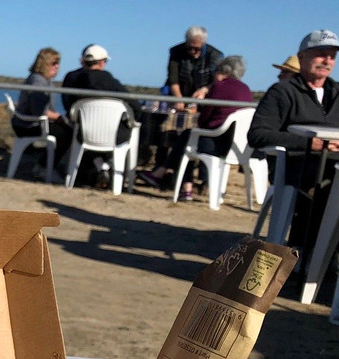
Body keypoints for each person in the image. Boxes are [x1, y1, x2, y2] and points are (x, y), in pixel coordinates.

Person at [249, 29, 339, 248]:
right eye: (320, 53)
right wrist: (311, 144)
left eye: (332, 55)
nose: (327, 60)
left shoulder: (337, 93)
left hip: (333, 164)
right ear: (301, 57)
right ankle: (311, 258)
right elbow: (257, 135)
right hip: (295, 167)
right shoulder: (282, 92)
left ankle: (324, 260)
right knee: (324, 190)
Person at [138, 55, 253, 201]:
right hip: (237, 146)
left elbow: (205, 118)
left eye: (216, 71)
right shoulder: (246, 90)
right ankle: (164, 175)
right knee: (189, 138)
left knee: (188, 139)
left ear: (225, 71)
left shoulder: (220, 86)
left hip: (217, 143)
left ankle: (181, 185)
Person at [62, 45, 141, 188]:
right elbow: (134, 105)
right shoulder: (108, 80)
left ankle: (102, 167)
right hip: (112, 136)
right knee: (128, 130)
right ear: (102, 62)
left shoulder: (74, 79)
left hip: (84, 133)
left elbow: (69, 106)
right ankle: (109, 167)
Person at [12, 47, 73, 177]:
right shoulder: (38, 81)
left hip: (31, 122)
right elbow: (39, 110)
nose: (57, 66)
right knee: (67, 133)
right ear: (44, 63)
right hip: (27, 124)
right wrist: (59, 117)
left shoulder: (45, 81)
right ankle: (44, 168)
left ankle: (48, 165)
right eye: (53, 63)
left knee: (65, 130)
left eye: (58, 63)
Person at [166, 26, 223, 109]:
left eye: (196, 48)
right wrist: (178, 98)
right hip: (179, 94)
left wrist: (204, 90)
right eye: (189, 48)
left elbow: (218, 80)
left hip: (204, 99)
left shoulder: (215, 56)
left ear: (203, 44)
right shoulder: (176, 51)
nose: (192, 51)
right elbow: (173, 78)